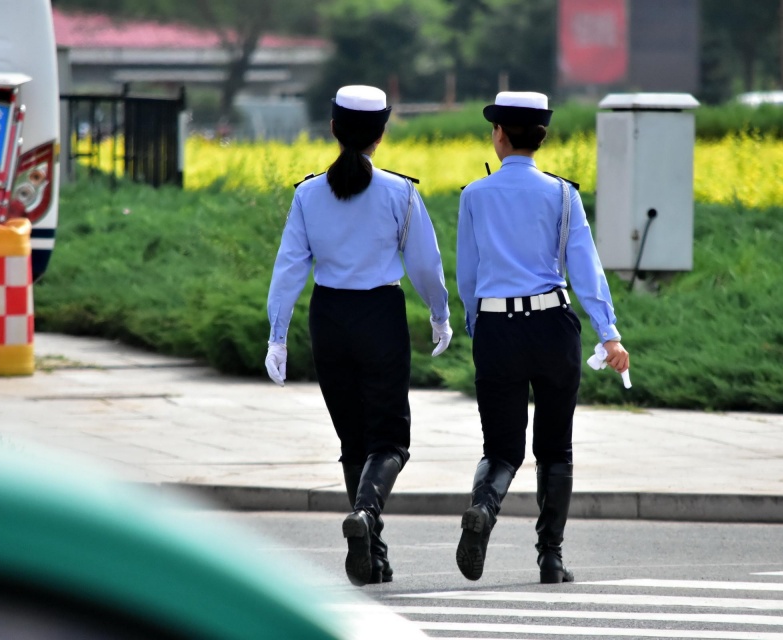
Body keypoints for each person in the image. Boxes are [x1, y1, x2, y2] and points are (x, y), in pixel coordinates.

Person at [264, 85, 452, 586]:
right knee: (389, 439)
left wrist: (277, 335)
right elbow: (426, 266)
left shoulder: (307, 193)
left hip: (329, 318)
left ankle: (372, 551)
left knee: (353, 439)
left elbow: (288, 270)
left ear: (333, 128)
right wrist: (441, 314)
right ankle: (366, 515)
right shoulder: (400, 193)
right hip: (379, 315)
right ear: (381, 133)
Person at [455, 91, 629, 584]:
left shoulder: (474, 195)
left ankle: (485, 509)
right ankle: (550, 558)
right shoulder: (562, 194)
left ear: (500, 136)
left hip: (496, 327)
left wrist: (477, 324)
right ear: (540, 139)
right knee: (556, 447)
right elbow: (586, 269)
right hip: (553, 326)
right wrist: (609, 334)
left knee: (502, 448)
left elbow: (468, 275)